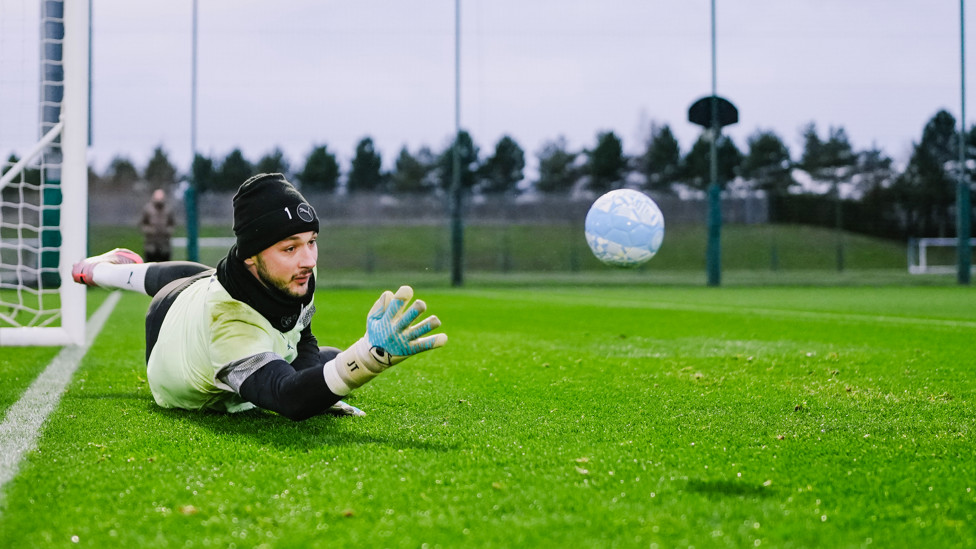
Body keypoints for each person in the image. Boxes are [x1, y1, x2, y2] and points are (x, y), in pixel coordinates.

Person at [72, 173, 447, 421]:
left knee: (203, 277)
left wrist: (321, 389)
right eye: (290, 248)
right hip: (169, 333)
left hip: (215, 295)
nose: (308, 259)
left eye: (312, 242)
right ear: (252, 254)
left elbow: (303, 335)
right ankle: (102, 271)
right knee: (183, 286)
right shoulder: (227, 322)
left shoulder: (297, 269)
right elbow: (287, 398)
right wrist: (365, 360)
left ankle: (109, 270)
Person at [139, 188, 176, 262]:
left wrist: (167, 231)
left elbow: (172, 224)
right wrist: (150, 231)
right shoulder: (148, 209)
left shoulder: (168, 209)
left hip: (164, 246)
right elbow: (143, 224)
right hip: (151, 246)